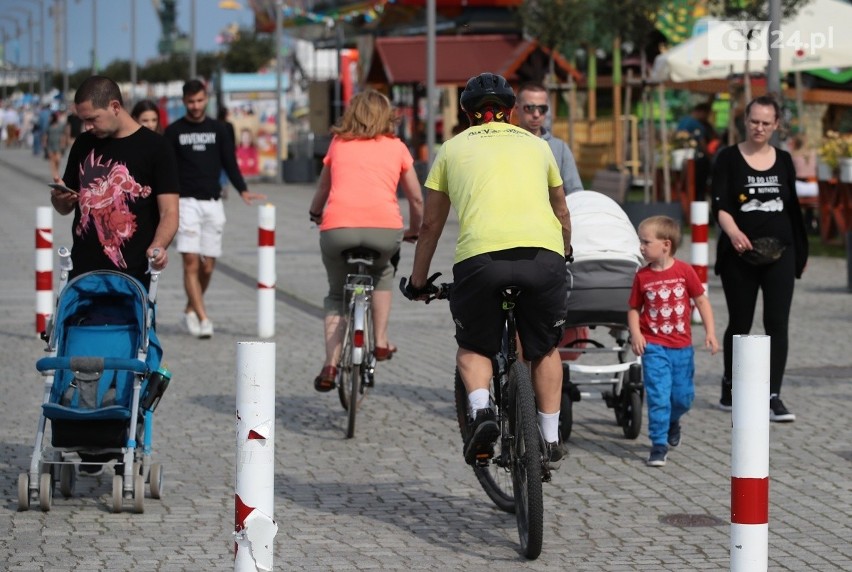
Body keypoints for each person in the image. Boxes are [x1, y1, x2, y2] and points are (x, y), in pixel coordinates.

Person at [404, 73, 571, 466]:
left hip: (482, 261)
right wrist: (565, 253)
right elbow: (561, 209)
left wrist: (417, 281)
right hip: (542, 259)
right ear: (511, 112)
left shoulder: (450, 149)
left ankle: (481, 412)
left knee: (475, 345)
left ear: (467, 115)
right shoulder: (537, 145)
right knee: (545, 347)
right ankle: (549, 438)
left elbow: (430, 226)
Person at [308, 89, 424, 392]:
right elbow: (416, 197)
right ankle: (382, 341)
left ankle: (330, 364)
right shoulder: (397, 147)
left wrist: (315, 213)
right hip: (384, 231)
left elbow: (323, 189)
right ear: (388, 116)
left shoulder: (338, 144)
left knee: (336, 295)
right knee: (383, 272)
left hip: (338, 230)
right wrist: (415, 230)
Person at [711, 95, 809, 422]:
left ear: (776, 125)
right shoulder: (728, 158)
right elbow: (721, 206)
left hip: (781, 251)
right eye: (754, 121)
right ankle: (730, 384)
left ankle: (773, 395)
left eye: (767, 123)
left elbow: (792, 207)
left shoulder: (783, 159)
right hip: (741, 252)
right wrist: (734, 232)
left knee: (777, 324)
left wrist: (801, 250)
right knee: (741, 322)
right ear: (745, 120)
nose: (760, 128)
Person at [49, 75, 179, 291]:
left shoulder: (157, 147)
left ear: (115, 106)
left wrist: (158, 246)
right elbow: (66, 207)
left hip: (133, 278)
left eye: (93, 119)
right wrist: (59, 200)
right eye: (84, 120)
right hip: (83, 275)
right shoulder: (83, 144)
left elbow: (170, 212)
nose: (88, 126)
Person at [164, 79, 266, 339]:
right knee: (190, 262)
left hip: (213, 203)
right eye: (190, 102)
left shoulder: (219, 129)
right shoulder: (173, 131)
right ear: (184, 101)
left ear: (206, 99)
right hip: (185, 202)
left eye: (199, 101)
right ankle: (203, 317)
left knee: (208, 266)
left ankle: (190, 308)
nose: (195, 106)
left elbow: (229, 162)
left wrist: (242, 189)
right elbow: (166, 168)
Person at [628, 216, 718, 467]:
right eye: (640, 241)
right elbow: (634, 308)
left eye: (646, 242)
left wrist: (710, 332)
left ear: (666, 245)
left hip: (682, 347)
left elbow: (701, 300)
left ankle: (672, 421)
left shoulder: (684, 271)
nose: (641, 247)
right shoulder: (642, 276)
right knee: (658, 396)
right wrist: (636, 333)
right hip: (654, 346)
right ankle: (658, 444)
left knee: (682, 397)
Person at [513, 81, 583, 194]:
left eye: (542, 109)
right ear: (516, 108)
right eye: (529, 108)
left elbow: (575, 192)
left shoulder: (560, 148)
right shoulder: (505, 144)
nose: (536, 114)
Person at [43, 112, 68, 181]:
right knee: (52, 160)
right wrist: (44, 143)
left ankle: (57, 171)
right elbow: (46, 135)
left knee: (58, 159)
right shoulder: (49, 126)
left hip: (58, 145)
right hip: (50, 145)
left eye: (51, 117)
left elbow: (63, 135)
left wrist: (63, 144)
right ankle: (54, 174)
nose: (49, 119)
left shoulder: (60, 126)